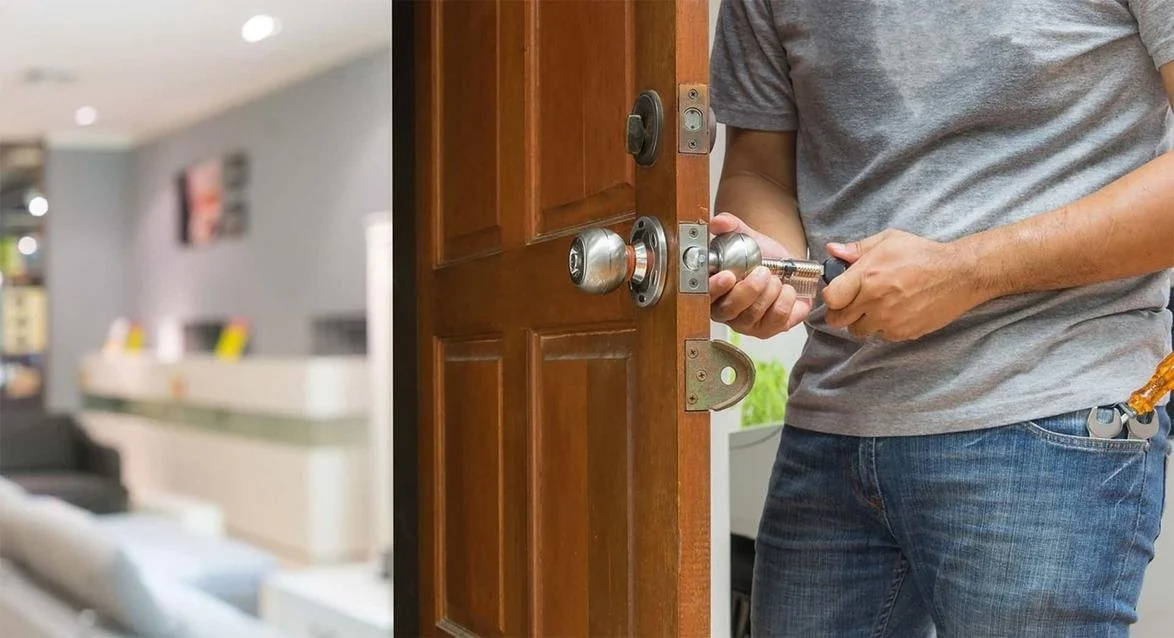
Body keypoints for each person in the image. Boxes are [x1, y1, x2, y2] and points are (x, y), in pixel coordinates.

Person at [708, 1, 1174, 635]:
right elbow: (758, 168)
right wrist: (770, 267)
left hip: (1052, 421)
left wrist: (968, 270)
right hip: (831, 425)